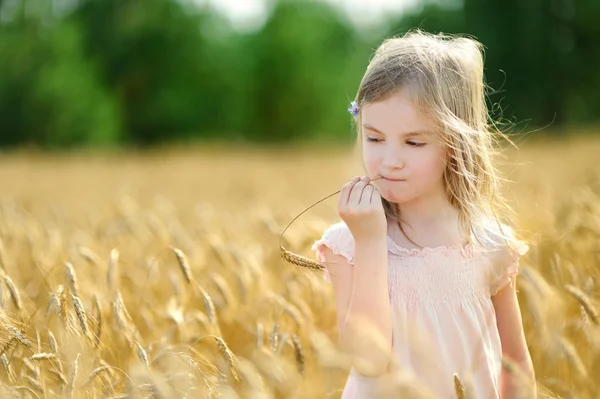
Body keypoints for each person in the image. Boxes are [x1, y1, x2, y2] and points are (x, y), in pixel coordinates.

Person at [311, 29, 536, 398]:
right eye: (374, 138)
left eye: (414, 142)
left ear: (455, 143)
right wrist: (369, 241)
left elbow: (517, 366)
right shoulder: (346, 243)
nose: (390, 160)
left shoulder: (489, 245)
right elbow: (368, 358)